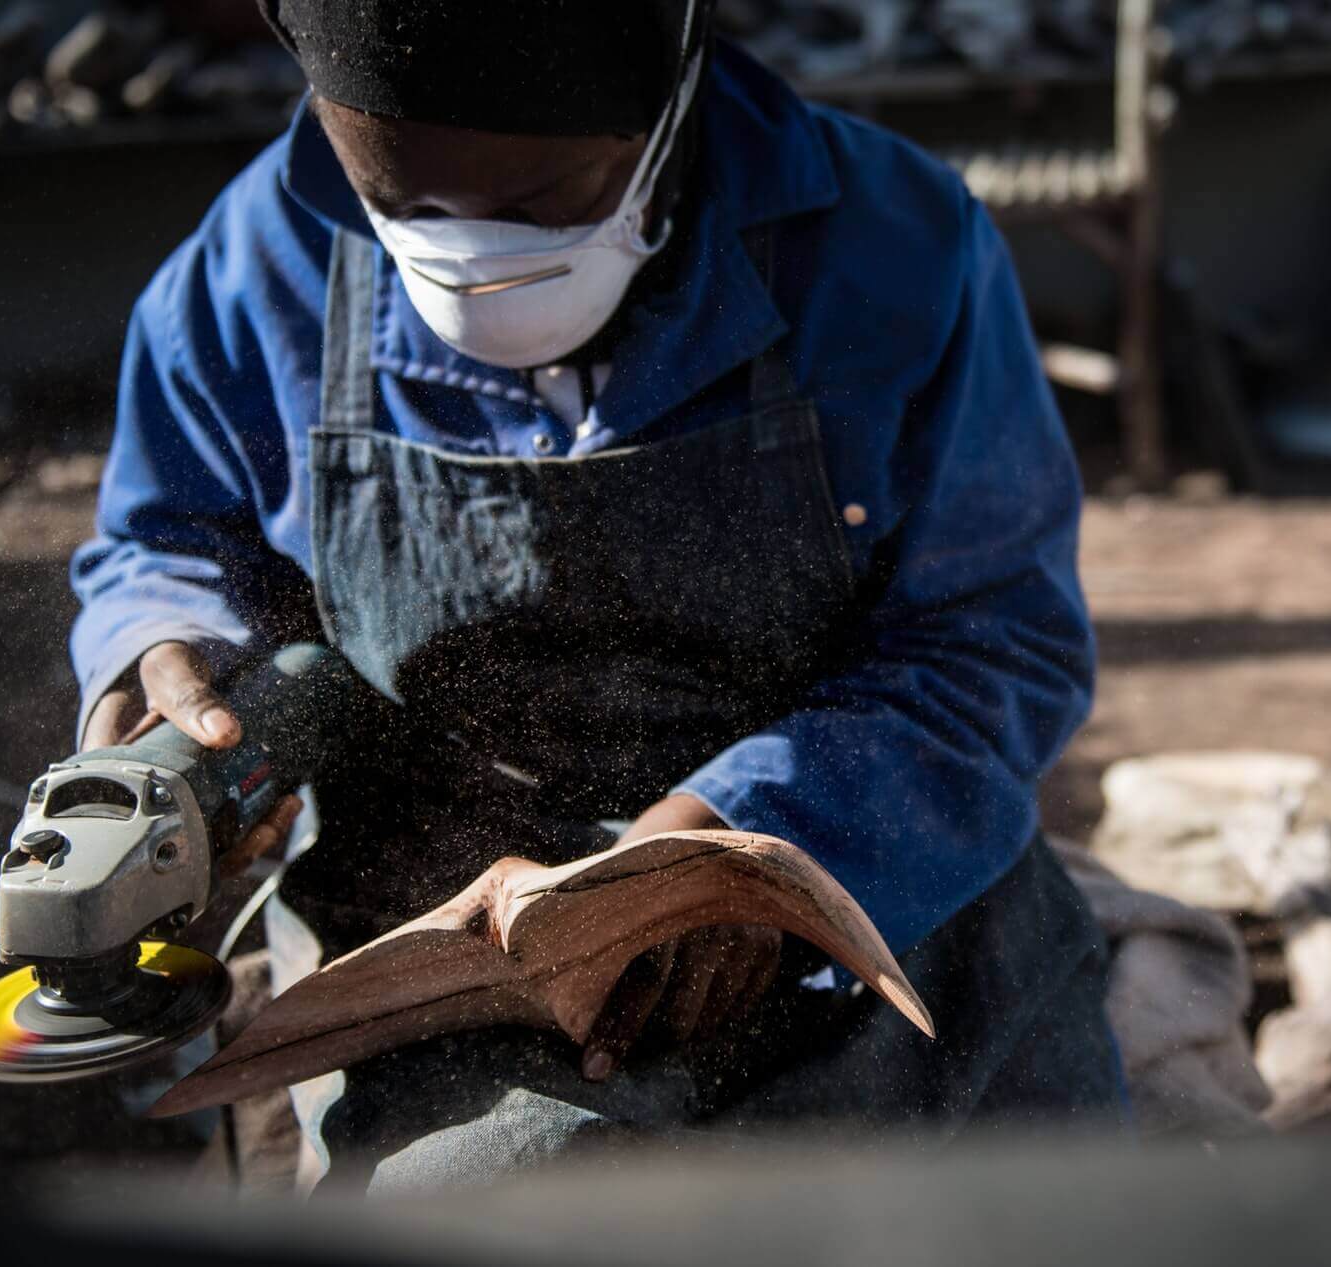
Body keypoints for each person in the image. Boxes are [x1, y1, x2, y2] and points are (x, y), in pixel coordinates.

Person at [72, 0, 1124, 1190]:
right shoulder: (256, 260)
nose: (470, 254)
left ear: (667, 78)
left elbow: (996, 644)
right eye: (405, 207)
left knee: (1003, 1197)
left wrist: (751, 841)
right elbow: (165, 538)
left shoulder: (896, 247)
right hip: (441, 910)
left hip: (856, 859)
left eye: (534, 209)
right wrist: (159, 646)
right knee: (488, 1197)